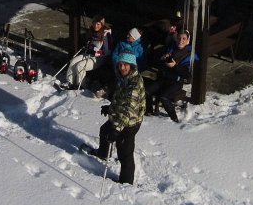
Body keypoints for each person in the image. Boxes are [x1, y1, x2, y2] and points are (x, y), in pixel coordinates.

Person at [84, 51, 146, 184]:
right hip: (119, 117)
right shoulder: (124, 78)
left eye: (125, 65)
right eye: (120, 64)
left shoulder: (134, 84)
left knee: (125, 153)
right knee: (104, 131)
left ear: (131, 66)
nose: (122, 67)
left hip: (129, 123)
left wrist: (117, 130)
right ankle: (103, 153)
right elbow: (121, 100)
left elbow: (128, 109)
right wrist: (110, 108)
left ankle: (126, 182)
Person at [148, 30, 196, 122]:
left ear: (187, 40)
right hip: (163, 79)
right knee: (146, 91)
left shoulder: (189, 55)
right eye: (179, 38)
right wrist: (162, 59)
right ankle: (149, 112)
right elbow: (154, 61)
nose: (180, 40)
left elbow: (187, 74)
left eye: (183, 38)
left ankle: (174, 118)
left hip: (176, 82)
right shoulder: (170, 48)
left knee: (163, 97)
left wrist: (175, 66)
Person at [63, 14, 111, 90]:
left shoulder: (105, 35)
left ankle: (81, 86)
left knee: (80, 66)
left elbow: (107, 52)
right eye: (94, 23)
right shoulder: (92, 31)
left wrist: (96, 52)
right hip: (88, 54)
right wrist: (87, 45)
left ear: (102, 25)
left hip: (99, 58)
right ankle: (70, 82)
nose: (96, 26)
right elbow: (90, 43)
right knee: (73, 61)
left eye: (98, 24)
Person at [95, 27, 146, 98]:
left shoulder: (140, 48)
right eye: (128, 34)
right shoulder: (122, 42)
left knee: (124, 76)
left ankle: (110, 91)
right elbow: (115, 54)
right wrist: (118, 63)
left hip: (131, 69)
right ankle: (108, 91)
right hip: (118, 65)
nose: (127, 36)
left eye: (130, 35)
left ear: (134, 38)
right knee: (117, 73)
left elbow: (141, 61)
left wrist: (132, 68)